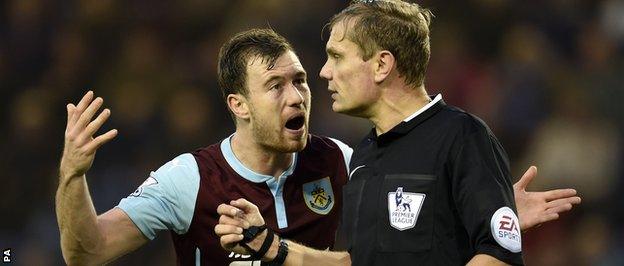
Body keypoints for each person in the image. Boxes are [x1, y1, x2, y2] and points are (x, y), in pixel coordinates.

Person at [56, 29, 578, 265]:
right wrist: (72, 177)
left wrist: (487, 216)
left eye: (301, 80)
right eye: (276, 86)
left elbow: (401, 249)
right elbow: (86, 251)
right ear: (238, 104)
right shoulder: (189, 179)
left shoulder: (343, 161)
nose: (297, 94)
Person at [214, 1, 581, 266]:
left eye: (337, 56)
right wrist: (267, 244)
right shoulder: (364, 156)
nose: (324, 72)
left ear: (381, 65)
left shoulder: (461, 136)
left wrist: (494, 218)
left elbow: (498, 255)